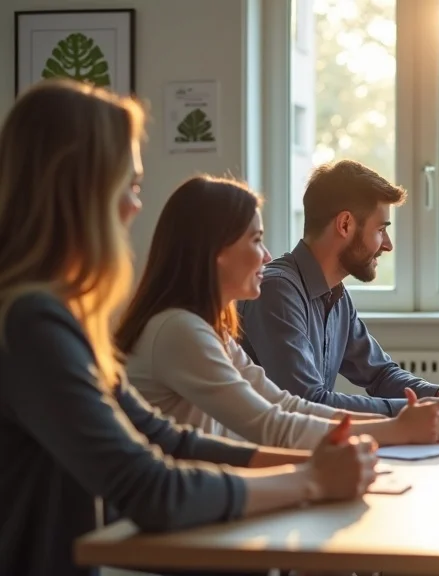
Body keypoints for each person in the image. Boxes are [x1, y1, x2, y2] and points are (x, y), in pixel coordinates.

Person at [0, 80, 377, 576]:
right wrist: (311, 480)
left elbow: (169, 440)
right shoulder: (31, 325)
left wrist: (309, 468)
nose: (136, 206)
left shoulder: (59, 319)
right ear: (79, 190)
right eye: (130, 186)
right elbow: (149, 487)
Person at [118, 175, 439, 450]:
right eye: (256, 240)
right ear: (218, 251)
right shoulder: (180, 330)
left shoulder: (211, 331)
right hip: (179, 504)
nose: (266, 256)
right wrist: (398, 426)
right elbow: (273, 425)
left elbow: (286, 405)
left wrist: (407, 417)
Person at [238, 160, 439, 420]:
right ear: (345, 224)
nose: (388, 245)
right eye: (380, 230)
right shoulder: (276, 291)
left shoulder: (336, 295)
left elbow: (380, 374)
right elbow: (307, 402)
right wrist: (426, 408)